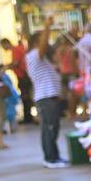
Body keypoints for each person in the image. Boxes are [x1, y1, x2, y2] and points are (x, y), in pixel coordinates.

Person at [26, 21, 66, 168]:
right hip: (46, 98)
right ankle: (50, 159)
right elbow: (43, 46)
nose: (46, 42)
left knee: (52, 127)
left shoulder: (40, 59)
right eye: (43, 39)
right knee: (49, 128)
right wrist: (47, 26)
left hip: (49, 98)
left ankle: (54, 156)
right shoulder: (34, 55)